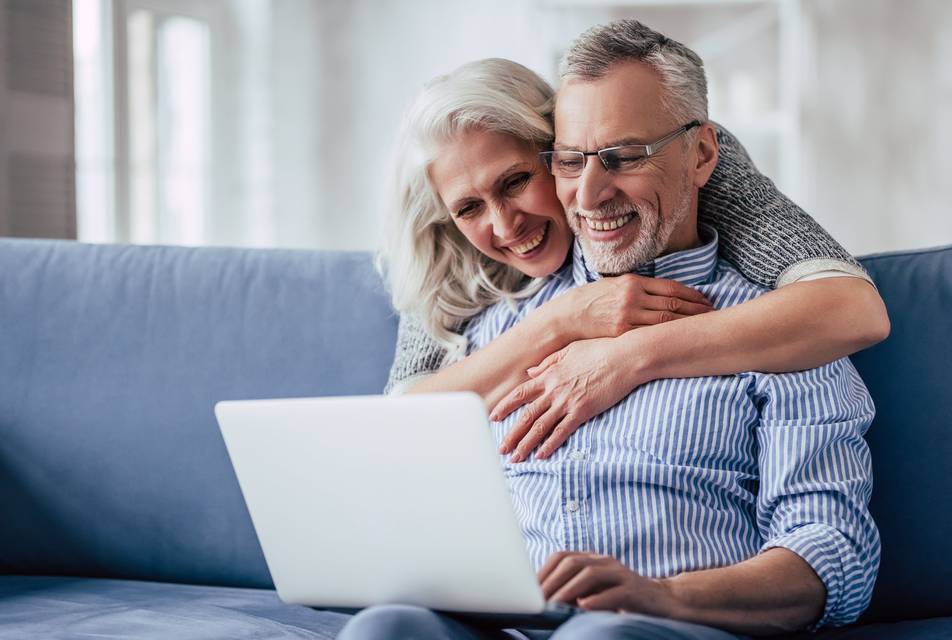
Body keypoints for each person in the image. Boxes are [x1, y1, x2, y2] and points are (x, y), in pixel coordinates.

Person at [341, 22, 881, 639]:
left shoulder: (786, 328)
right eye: (570, 161)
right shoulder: (492, 323)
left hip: (666, 626)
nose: (590, 194)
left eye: (624, 157)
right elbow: (397, 454)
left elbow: (835, 557)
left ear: (703, 155)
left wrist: (663, 597)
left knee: (602, 636)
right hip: (513, 626)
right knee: (386, 628)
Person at [379, 56, 887, 465]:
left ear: (559, 151)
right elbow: (394, 429)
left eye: (516, 182)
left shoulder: (691, 161)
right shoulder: (444, 252)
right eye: (469, 207)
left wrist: (626, 357)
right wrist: (563, 319)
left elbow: (853, 309)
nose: (505, 226)